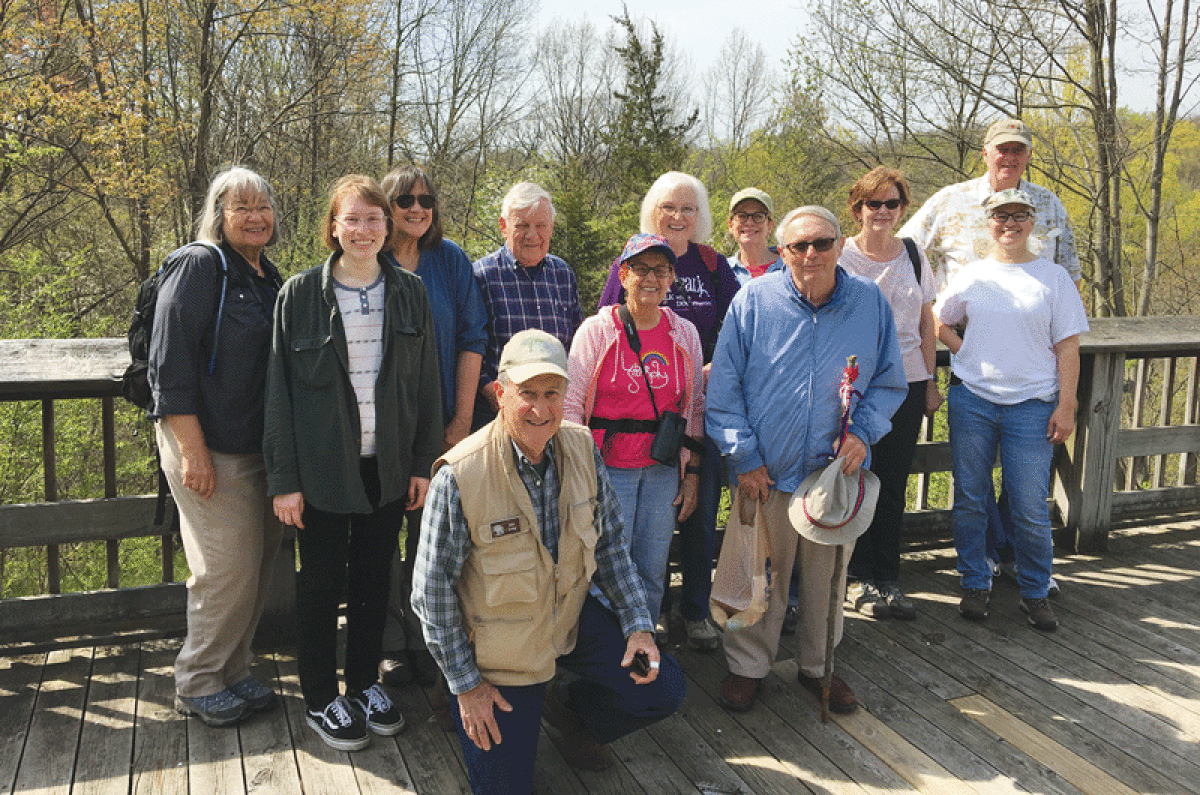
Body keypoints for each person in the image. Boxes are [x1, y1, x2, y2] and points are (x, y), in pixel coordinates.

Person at [411, 329, 686, 795]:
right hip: (502, 654)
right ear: (500, 394)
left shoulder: (582, 448)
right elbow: (430, 594)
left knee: (661, 688)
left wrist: (639, 625)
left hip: (567, 620)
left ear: (567, 394)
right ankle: (473, 705)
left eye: (552, 394)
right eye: (527, 395)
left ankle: (570, 712)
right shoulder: (461, 476)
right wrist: (467, 685)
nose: (541, 409)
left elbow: (613, 548)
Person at [264, 175, 442, 751]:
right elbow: (278, 396)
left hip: (386, 465)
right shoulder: (298, 297)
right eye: (352, 219)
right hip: (321, 470)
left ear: (387, 228)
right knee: (318, 584)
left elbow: (428, 390)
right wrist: (285, 481)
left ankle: (364, 683)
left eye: (373, 219)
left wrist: (422, 464)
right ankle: (320, 695)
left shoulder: (410, 293)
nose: (363, 230)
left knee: (374, 580)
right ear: (333, 228)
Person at [708, 205, 906, 715]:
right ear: (783, 251)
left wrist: (863, 434)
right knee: (758, 575)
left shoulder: (869, 304)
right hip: (765, 471)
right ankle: (747, 667)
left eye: (822, 243)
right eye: (799, 246)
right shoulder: (753, 301)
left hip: (831, 475)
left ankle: (819, 667)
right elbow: (724, 389)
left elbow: (889, 382)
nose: (811, 254)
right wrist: (744, 456)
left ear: (841, 245)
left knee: (827, 578)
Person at [900, 116, 1081, 593]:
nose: (1009, 157)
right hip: (968, 363)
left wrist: (1065, 388)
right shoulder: (950, 201)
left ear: (1026, 156)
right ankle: (979, 568)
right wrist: (946, 336)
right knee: (972, 483)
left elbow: (1069, 278)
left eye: (1018, 150)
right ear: (985, 153)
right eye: (1001, 148)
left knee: (1025, 485)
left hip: (1033, 370)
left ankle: (1020, 563)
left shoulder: (1049, 205)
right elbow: (904, 254)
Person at [149, 166, 285, 727]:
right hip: (208, 445)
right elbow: (170, 365)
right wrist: (193, 452)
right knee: (224, 570)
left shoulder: (264, 275)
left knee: (255, 565)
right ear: (219, 214)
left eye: (263, 208)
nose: (254, 217)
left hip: (258, 449)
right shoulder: (200, 266)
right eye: (241, 208)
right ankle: (199, 679)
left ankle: (234, 669)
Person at [598, 171, 741, 651]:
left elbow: (738, 325)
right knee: (638, 528)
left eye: (688, 209)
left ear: (699, 217)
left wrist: (714, 365)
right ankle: (641, 617)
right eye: (668, 208)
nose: (679, 217)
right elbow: (604, 328)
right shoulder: (632, 259)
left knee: (695, 515)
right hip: (634, 423)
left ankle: (695, 609)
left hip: (697, 407)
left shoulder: (710, 263)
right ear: (651, 213)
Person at [934, 188, 1088, 632]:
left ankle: (1036, 591)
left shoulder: (1053, 278)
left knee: (1028, 504)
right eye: (1001, 216)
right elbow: (937, 317)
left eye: (1019, 216)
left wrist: (1066, 405)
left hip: (1033, 405)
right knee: (970, 497)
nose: (1010, 224)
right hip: (974, 400)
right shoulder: (974, 275)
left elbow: (1069, 347)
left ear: (1032, 223)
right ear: (989, 223)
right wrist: (963, 349)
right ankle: (975, 581)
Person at [377, 164, 488, 689]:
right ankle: (387, 644)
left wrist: (462, 419)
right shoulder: (365, 259)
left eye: (426, 199)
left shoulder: (450, 262)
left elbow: (473, 338)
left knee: (433, 543)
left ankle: (429, 642)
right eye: (404, 200)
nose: (417, 208)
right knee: (377, 539)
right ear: (385, 205)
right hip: (377, 430)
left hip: (441, 426)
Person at [565, 233, 705, 625]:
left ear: (671, 277)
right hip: (606, 468)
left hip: (661, 468)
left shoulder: (684, 334)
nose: (650, 279)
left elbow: (693, 409)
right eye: (641, 269)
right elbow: (572, 407)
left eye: (660, 270)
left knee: (651, 566)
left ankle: (645, 646)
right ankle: (607, 656)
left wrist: (690, 474)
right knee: (606, 566)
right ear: (623, 274)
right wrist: (579, 474)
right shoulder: (596, 331)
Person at [838, 167, 942, 620]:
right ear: (856, 208)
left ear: (902, 208)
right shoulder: (838, 255)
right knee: (855, 477)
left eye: (892, 203)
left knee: (894, 482)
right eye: (872, 203)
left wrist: (932, 380)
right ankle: (853, 575)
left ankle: (887, 576)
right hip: (855, 385)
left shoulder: (915, 255)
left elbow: (926, 322)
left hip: (909, 382)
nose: (882, 212)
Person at [472, 182, 583, 430]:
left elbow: (576, 346)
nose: (532, 235)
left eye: (541, 226)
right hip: (497, 416)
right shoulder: (481, 276)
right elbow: (469, 348)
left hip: (554, 417)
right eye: (522, 226)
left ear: (551, 228)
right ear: (504, 227)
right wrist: (494, 394)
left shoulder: (563, 274)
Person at [726, 187, 784, 284]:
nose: (749, 222)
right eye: (742, 216)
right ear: (731, 225)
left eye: (758, 216)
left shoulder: (790, 268)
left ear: (770, 226)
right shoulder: (720, 271)